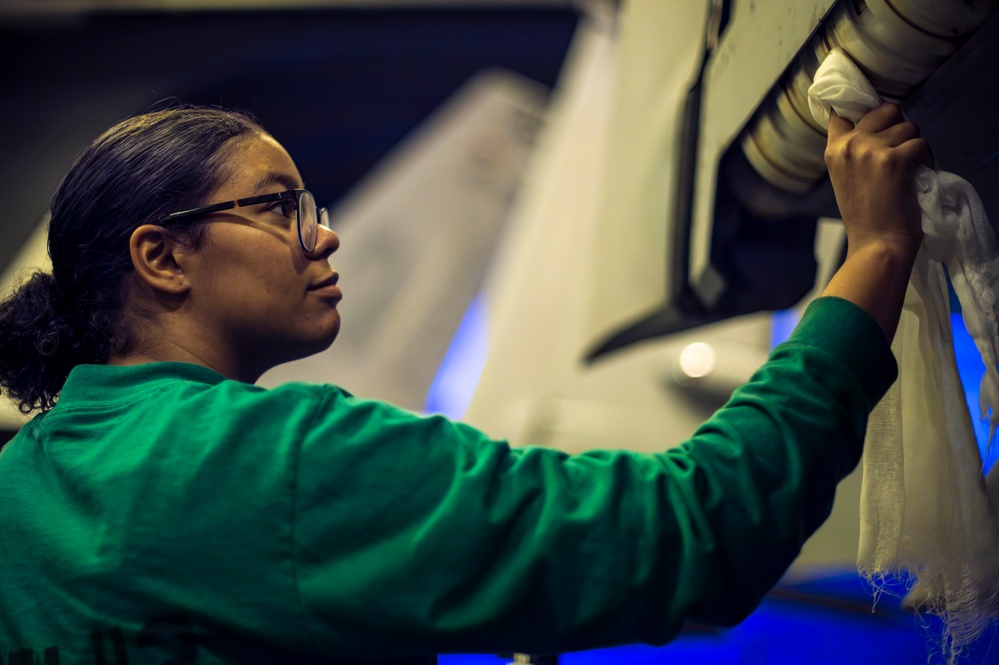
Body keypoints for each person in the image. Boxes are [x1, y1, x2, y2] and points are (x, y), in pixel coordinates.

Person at [0, 102, 930, 665]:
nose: (322, 235)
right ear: (161, 258)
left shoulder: (21, 490)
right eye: (281, 206)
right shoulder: (283, 458)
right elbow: (692, 531)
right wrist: (876, 257)